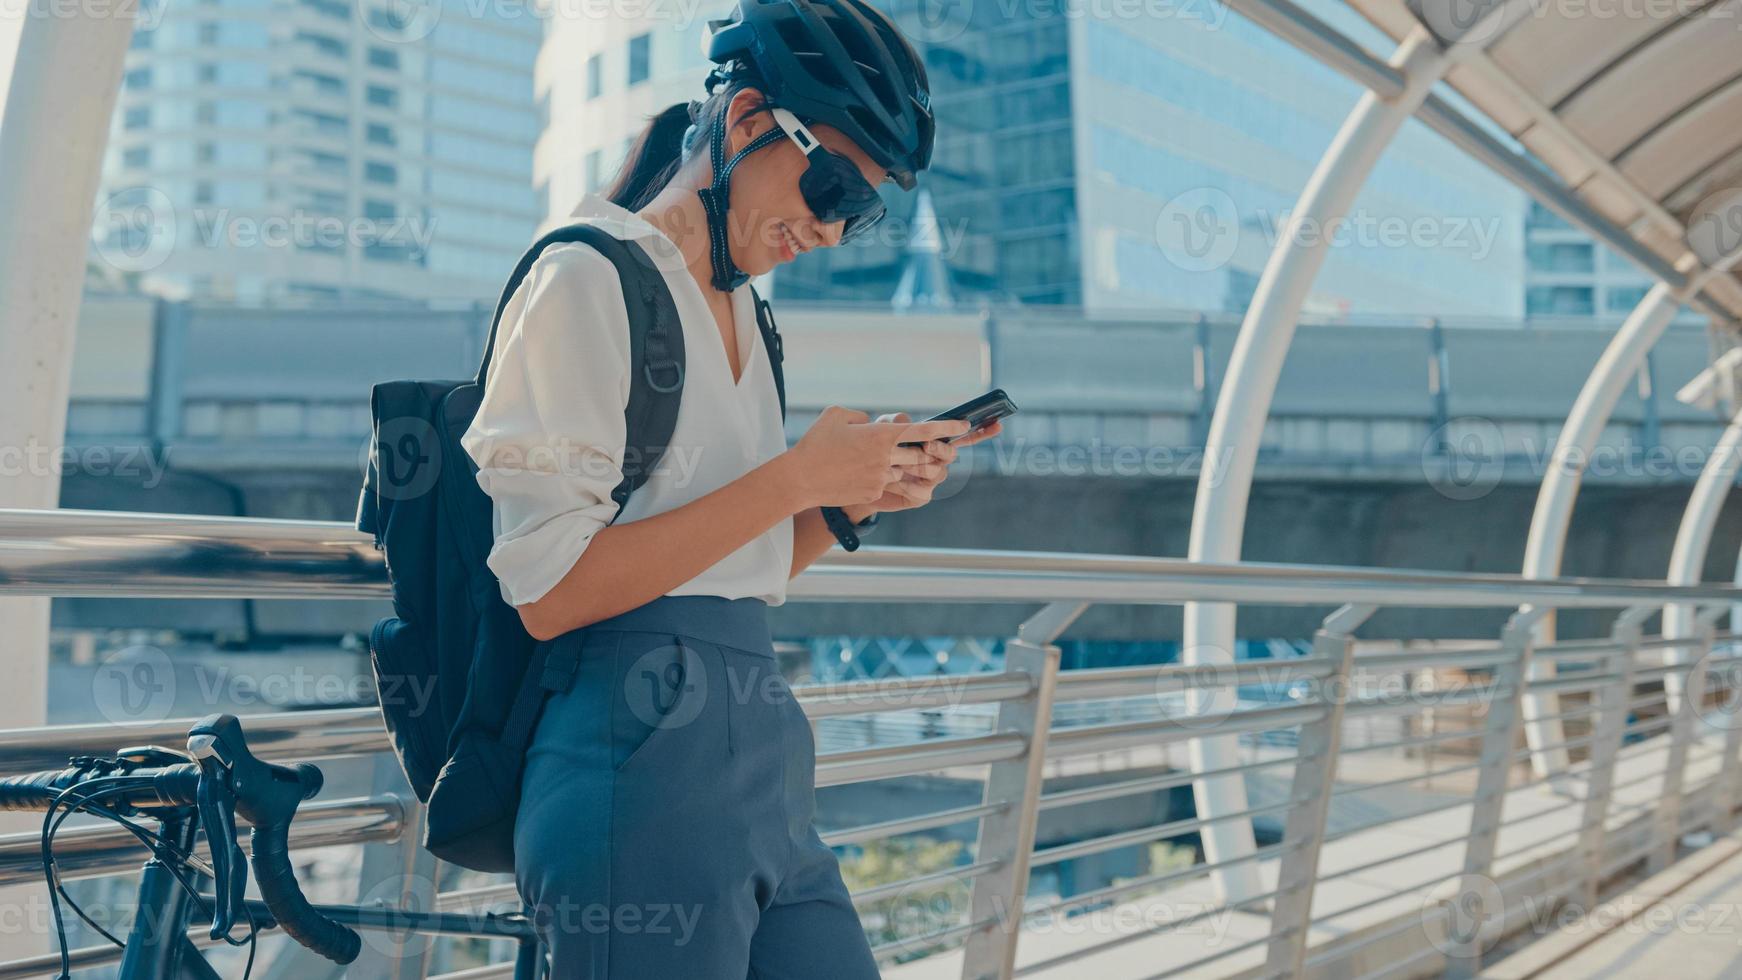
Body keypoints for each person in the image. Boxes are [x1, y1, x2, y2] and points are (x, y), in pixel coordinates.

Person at [458, 0, 1003, 974]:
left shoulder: (750, 317)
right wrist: (798, 473)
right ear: (748, 118)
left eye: (858, 209)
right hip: (636, 770)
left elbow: (735, 565)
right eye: (832, 184)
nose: (832, 230)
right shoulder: (587, 276)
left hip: (762, 763)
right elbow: (549, 592)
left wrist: (843, 501)